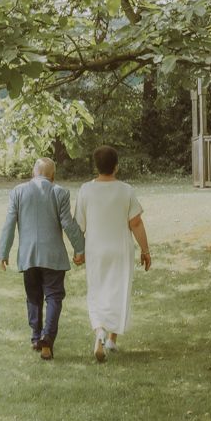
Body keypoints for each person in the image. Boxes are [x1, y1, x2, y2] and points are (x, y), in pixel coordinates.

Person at [0, 157, 85, 360]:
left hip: (28, 256)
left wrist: (3, 252)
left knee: (33, 297)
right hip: (53, 256)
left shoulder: (18, 192)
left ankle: (36, 337)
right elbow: (68, 223)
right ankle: (47, 338)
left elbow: (9, 223)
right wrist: (80, 248)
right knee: (54, 297)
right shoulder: (59, 192)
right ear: (52, 175)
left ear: (33, 172)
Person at [74, 145, 152, 363]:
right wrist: (145, 250)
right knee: (118, 290)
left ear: (96, 167)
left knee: (97, 289)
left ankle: (99, 330)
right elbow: (136, 223)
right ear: (116, 166)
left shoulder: (85, 190)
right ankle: (111, 339)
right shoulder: (126, 190)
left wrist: (78, 251)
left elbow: (79, 225)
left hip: (95, 249)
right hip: (120, 249)